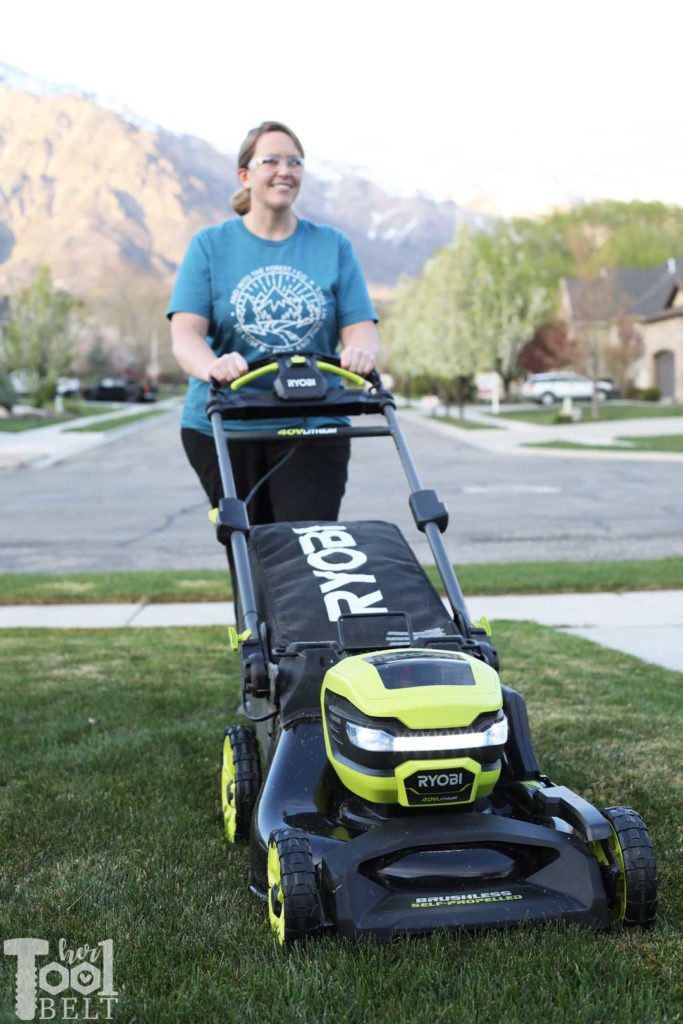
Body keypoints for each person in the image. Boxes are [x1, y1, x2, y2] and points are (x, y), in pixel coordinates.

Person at [167, 120, 379, 524]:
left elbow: (359, 327)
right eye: (272, 160)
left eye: (295, 161)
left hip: (313, 423)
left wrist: (361, 353)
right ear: (245, 175)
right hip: (225, 423)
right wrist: (212, 366)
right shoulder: (210, 246)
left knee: (307, 550)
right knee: (248, 550)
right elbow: (186, 333)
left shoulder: (332, 245)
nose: (286, 170)